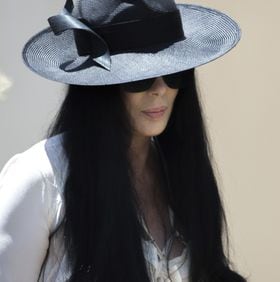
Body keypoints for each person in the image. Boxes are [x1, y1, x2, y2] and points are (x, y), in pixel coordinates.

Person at [0, 0, 246, 281]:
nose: (161, 89)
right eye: (140, 76)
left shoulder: (180, 170)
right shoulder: (38, 179)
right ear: (97, 86)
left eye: (175, 72)